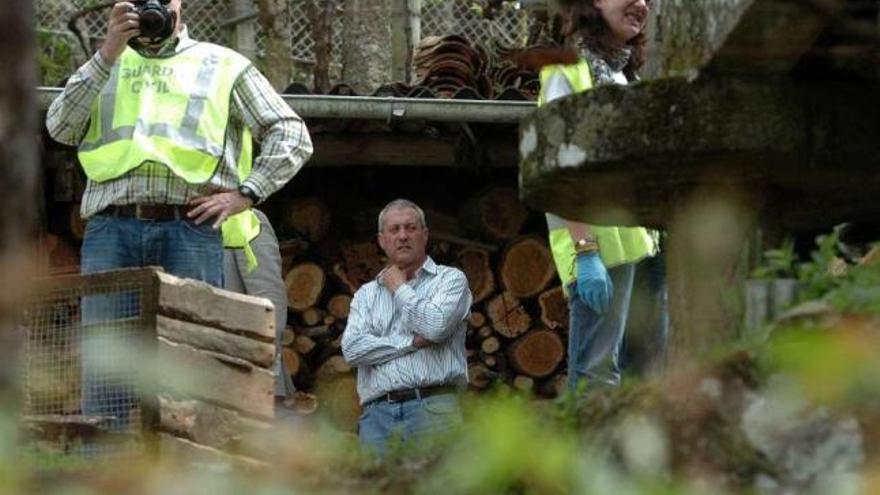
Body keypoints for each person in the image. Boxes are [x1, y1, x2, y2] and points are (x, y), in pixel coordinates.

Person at [45, 0, 312, 431]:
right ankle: (103, 472)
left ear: (179, 4)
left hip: (190, 228)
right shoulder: (104, 64)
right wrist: (109, 50)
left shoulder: (221, 64)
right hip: (112, 227)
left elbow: (292, 133)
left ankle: (192, 474)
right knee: (108, 365)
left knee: (193, 361)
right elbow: (59, 127)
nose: (151, 8)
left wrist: (246, 193)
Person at [537, 0, 662, 392]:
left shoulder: (623, 74)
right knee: (595, 380)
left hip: (643, 247)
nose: (641, 4)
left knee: (645, 381)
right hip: (599, 252)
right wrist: (586, 251)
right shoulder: (568, 70)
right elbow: (561, 165)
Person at [341, 199, 472, 456]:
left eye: (410, 228)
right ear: (381, 240)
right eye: (394, 229)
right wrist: (410, 342)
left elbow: (434, 328)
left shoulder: (450, 280)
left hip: (434, 408)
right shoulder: (366, 294)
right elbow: (353, 350)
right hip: (377, 416)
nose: (402, 236)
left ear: (425, 235)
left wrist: (399, 289)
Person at [222, 209, 297, 411]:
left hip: (250, 370)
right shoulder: (176, 224)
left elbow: (269, 302)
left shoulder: (244, 219)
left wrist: (263, 369)